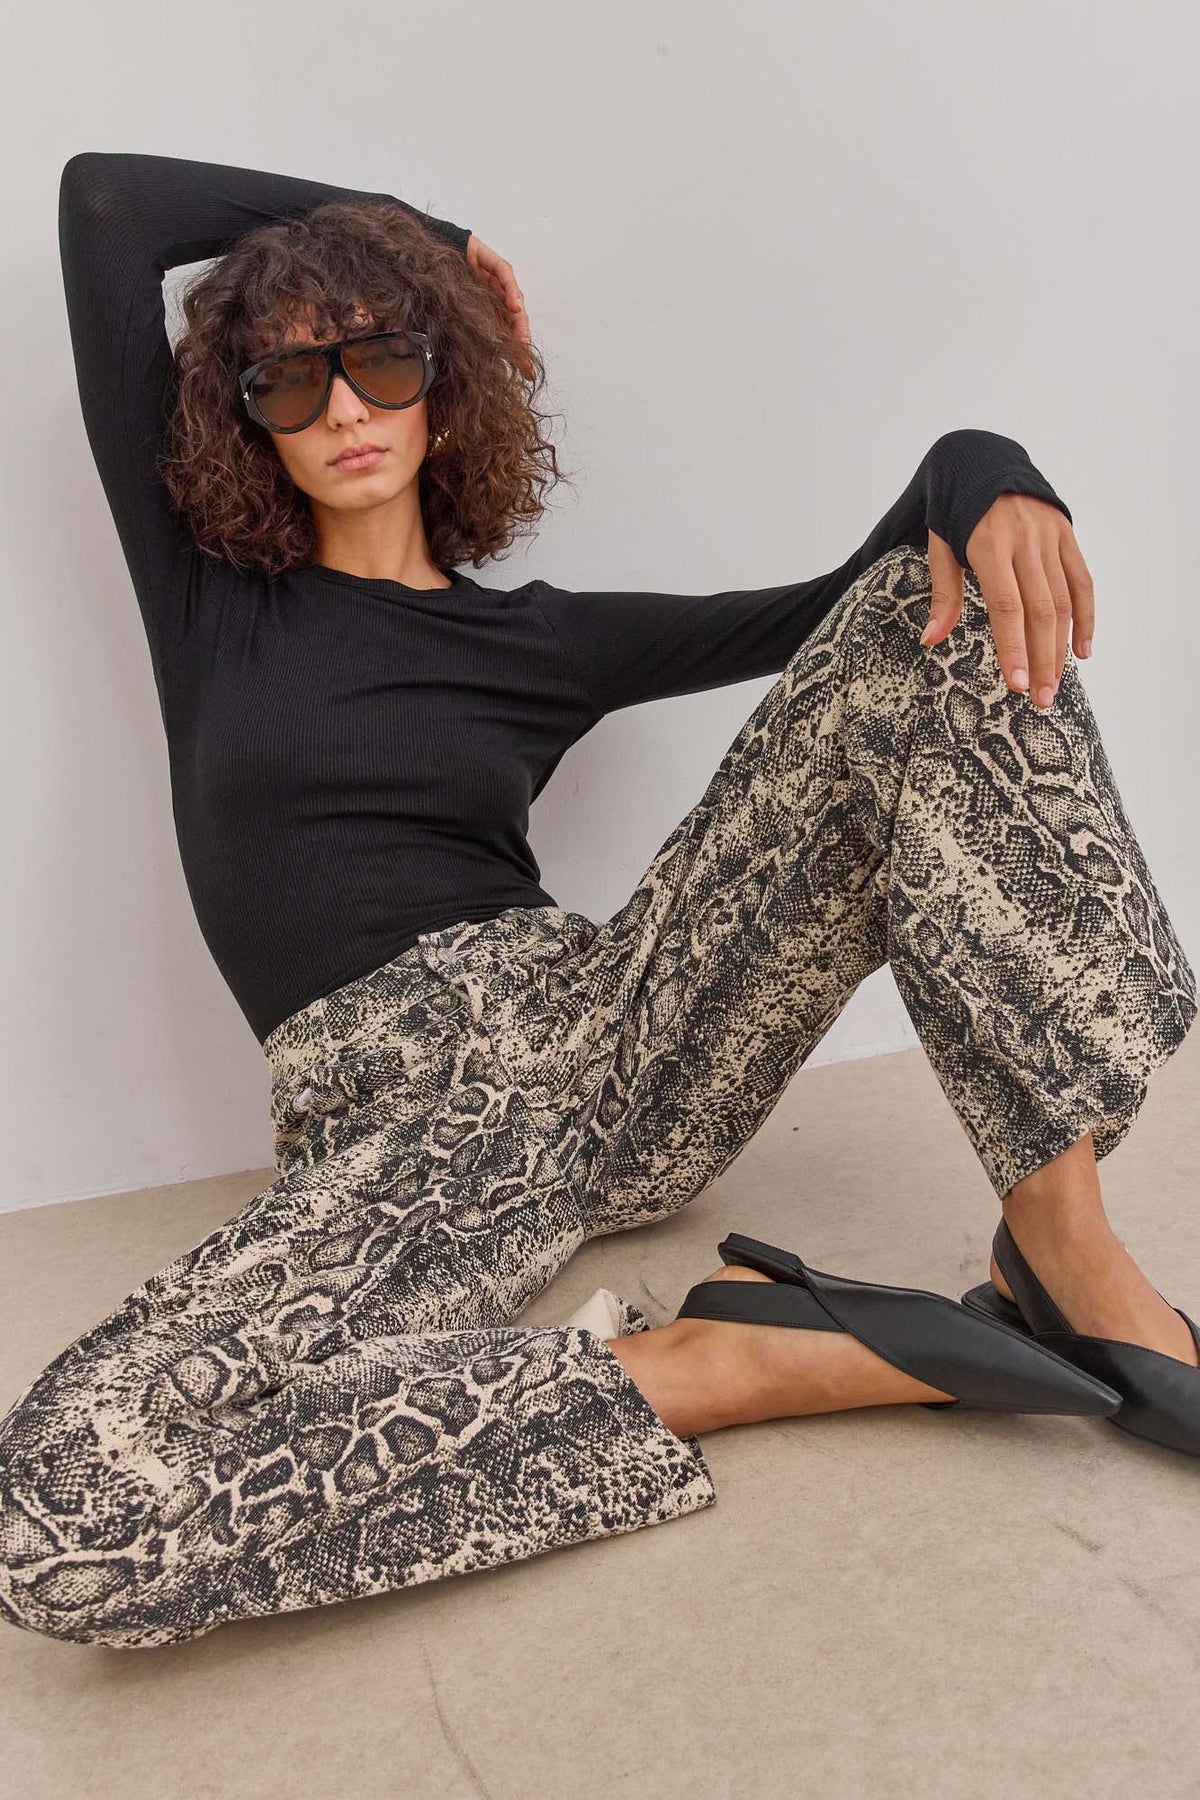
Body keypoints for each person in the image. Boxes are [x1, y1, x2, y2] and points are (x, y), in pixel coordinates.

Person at [0, 149, 1195, 1651]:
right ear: (248, 425)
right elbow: (106, 204)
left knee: (928, 608)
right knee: (61, 1508)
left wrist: (984, 462)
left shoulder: (545, 641)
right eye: (292, 384)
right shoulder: (210, 605)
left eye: (383, 359)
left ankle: (1059, 1236)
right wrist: (431, 235)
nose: (348, 409)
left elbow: (862, 598)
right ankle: (718, 1365)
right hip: (415, 1132)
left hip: (617, 1032)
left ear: (443, 389)